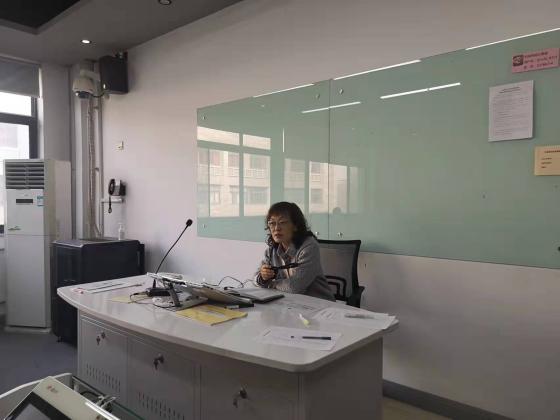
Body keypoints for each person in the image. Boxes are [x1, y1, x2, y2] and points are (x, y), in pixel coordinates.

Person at [255, 202, 335, 301]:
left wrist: (270, 284)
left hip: (319, 303)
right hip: (289, 302)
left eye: (282, 222)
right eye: (272, 223)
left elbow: (295, 287)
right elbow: (255, 280)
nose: (276, 228)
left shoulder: (309, 246)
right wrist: (263, 277)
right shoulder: (271, 250)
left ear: (295, 226)